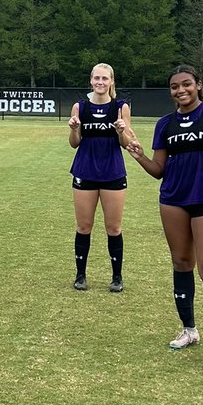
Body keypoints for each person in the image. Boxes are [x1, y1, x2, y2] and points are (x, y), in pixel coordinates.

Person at [126, 65, 203, 363]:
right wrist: (139, 155)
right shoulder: (165, 124)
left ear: (198, 85)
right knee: (181, 263)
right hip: (173, 201)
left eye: (186, 84)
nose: (181, 90)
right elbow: (159, 171)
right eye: (175, 87)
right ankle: (189, 330)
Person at [67, 62, 137, 292]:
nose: (100, 82)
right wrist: (74, 128)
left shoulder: (120, 107)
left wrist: (120, 131)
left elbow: (127, 144)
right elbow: (74, 143)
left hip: (112, 172)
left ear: (111, 82)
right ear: (91, 80)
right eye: (96, 78)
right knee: (84, 226)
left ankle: (117, 277)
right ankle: (80, 275)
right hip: (85, 170)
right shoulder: (80, 107)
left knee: (113, 228)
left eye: (104, 79)